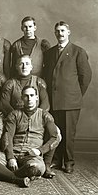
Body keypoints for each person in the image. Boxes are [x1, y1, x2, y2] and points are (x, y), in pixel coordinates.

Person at [0, 86, 59, 187]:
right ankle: (16, 178)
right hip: (13, 153)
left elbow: (55, 137)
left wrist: (40, 151)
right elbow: (7, 137)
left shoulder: (45, 115)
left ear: (37, 97)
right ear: (22, 98)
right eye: (26, 96)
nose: (29, 99)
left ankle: (1, 174)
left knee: (36, 168)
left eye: (32, 96)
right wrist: (10, 157)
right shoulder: (14, 114)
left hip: (31, 156)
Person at [43, 21, 92, 173]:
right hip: (53, 101)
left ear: (68, 32)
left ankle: (69, 162)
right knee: (55, 132)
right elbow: (47, 76)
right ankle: (56, 160)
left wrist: (75, 94)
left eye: (63, 31)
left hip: (70, 101)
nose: (60, 34)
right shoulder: (50, 53)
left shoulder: (78, 51)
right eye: (57, 31)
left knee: (68, 134)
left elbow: (86, 77)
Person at [0, 54, 59, 178]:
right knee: (2, 133)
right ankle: (14, 166)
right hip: (15, 117)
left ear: (31, 66)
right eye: (21, 64)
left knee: (54, 131)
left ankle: (46, 164)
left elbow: (46, 103)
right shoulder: (10, 83)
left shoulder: (39, 82)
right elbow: (4, 103)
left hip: (36, 117)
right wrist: (18, 116)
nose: (24, 66)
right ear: (16, 67)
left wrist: (35, 117)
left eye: (27, 63)